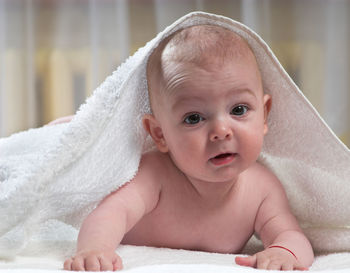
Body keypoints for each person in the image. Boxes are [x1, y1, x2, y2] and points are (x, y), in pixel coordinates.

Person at [60, 25, 314, 271]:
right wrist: (95, 249)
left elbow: (290, 234)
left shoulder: (261, 189)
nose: (221, 131)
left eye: (238, 110)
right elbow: (111, 214)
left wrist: (284, 251)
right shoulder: (155, 175)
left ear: (264, 116)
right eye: (194, 118)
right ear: (160, 134)